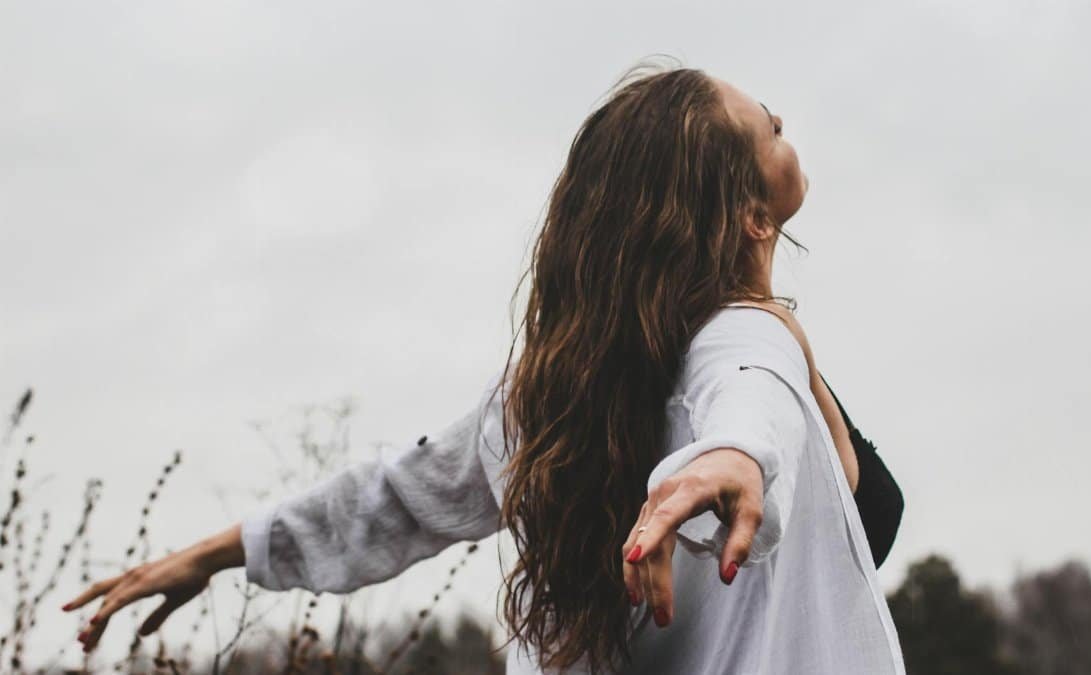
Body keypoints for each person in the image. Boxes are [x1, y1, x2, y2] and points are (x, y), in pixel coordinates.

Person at [61, 58, 907, 674]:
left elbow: (391, 499)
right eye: (769, 124)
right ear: (752, 216)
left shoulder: (550, 399)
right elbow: (744, 404)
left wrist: (222, 551)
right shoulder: (739, 341)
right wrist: (731, 458)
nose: (784, 120)